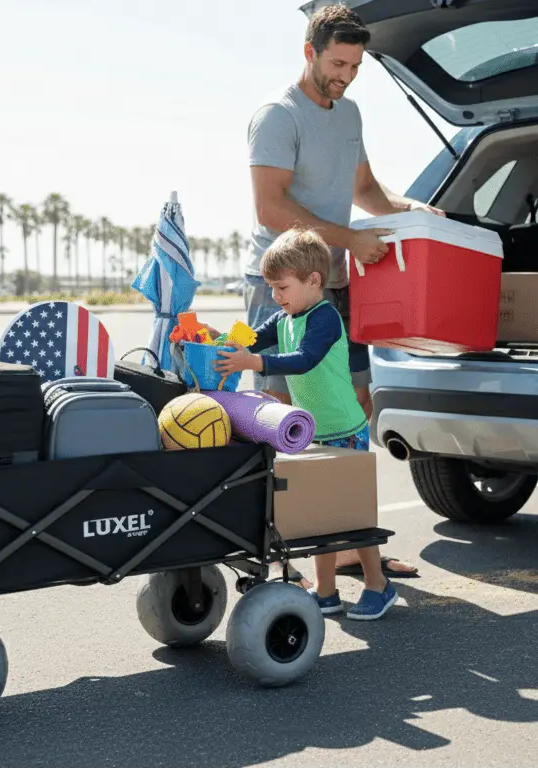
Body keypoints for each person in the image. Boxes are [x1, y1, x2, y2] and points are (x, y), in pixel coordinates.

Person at [244, 3, 442, 580]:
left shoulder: (349, 112)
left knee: (355, 409)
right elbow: (271, 207)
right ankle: (283, 550)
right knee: (282, 415)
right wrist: (351, 239)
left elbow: (366, 190)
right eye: (337, 63)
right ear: (309, 52)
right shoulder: (278, 116)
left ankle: (356, 545)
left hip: (335, 283)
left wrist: (423, 216)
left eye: (355, 66)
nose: (346, 76)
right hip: (280, 285)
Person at [212, 228, 397, 620]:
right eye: (271, 287)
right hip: (315, 432)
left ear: (314, 281)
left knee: (353, 515)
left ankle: (378, 585)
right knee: (322, 515)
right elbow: (251, 337)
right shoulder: (284, 317)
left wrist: (254, 363)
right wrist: (219, 340)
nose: (275, 296)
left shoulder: (325, 318)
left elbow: (304, 358)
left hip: (346, 431)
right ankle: (326, 592)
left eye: (281, 287)